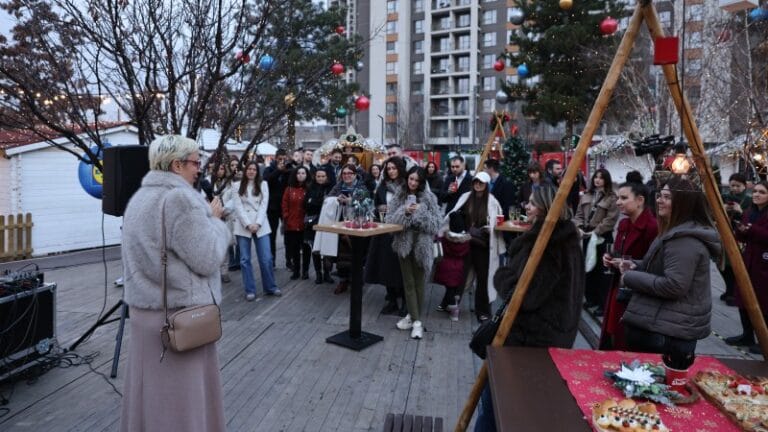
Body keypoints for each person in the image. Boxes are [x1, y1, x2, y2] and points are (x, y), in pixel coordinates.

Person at [120, 135, 228, 432]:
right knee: (182, 404)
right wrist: (215, 221)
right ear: (177, 164)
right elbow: (208, 258)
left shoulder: (138, 200)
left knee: (151, 398)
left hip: (146, 316)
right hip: (181, 321)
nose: (199, 169)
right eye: (195, 162)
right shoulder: (180, 199)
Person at [474, 184, 584, 432]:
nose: (527, 207)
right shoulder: (563, 238)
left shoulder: (549, 243)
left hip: (530, 340)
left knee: (497, 404)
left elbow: (526, 295)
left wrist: (502, 275)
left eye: (532, 203)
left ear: (545, 209)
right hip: (549, 335)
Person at [619, 177, 721, 363]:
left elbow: (674, 285)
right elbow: (664, 267)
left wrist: (630, 277)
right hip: (664, 323)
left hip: (668, 332)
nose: (659, 201)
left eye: (666, 197)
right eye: (659, 195)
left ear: (683, 203)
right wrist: (637, 265)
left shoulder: (684, 241)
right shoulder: (673, 232)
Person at [598, 182, 657, 350]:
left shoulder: (652, 228)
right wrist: (610, 258)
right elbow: (618, 252)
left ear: (640, 200)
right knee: (613, 334)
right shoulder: (625, 224)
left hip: (638, 293)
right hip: (620, 286)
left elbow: (654, 264)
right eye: (618, 198)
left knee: (626, 339)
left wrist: (629, 265)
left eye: (623, 198)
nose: (618, 202)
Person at [387, 166, 442, 339]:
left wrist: (419, 212)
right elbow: (389, 221)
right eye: (411, 178)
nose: (412, 182)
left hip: (422, 244)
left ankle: (412, 317)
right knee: (408, 282)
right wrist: (405, 212)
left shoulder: (429, 197)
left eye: (417, 180)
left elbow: (435, 224)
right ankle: (417, 322)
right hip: (404, 243)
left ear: (421, 182)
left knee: (419, 283)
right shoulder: (399, 195)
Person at [445, 172, 504, 322]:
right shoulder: (466, 197)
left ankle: (482, 310)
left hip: (483, 246)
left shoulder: (492, 201)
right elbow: (455, 215)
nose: (478, 185)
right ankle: (453, 305)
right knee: (460, 275)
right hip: (466, 242)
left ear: (486, 185)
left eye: (481, 183)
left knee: (483, 278)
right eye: (476, 182)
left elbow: (497, 222)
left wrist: (488, 229)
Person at [725, 180, 768, 355]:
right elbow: (743, 236)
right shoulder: (749, 212)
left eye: (762, 192)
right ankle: (747, 334)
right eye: (756, 191)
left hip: (764, 262)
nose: (757, 194)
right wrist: (740, 229)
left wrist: (750, 229)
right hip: (749, 259)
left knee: (764, 302)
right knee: (743, 297)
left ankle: (764, 338)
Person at [573, 168, 619, 316]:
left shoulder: (612, 198)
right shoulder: (587, 194)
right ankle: (591, 298)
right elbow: (578, 213)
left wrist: (596, 231)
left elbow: (611, 219)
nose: (598, 180)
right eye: (596, 177)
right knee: (588, 268)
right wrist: (579, 227)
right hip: (586, 234)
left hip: (602, 237)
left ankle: (603, 303)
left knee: (602, 270)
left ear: (607, 180)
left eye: (601, 178)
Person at [366, 157, 407, 315]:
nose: (391, 171)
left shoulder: (407, 185)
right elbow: (376, 204)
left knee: (401, 268)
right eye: (388, 168)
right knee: (385, 266)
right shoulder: (382, 185)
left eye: (394, 168)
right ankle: (391, 300)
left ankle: (405, 301)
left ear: (400, 168)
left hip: (402, 231)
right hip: (384, 230)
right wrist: (379, 208)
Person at [234, 161, 281, 300]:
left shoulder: (263, 184)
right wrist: (248, 224)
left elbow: (263, 204)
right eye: (249, 169)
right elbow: (238, 207)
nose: (251, 171)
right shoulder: (236, 186)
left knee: (266, 258)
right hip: (243, 225)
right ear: (245, 170)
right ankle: (250, 290)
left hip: (261, 224)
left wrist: (258, 223)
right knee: (244, 259)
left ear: (257, 171)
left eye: (254, 169)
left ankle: (270, 287)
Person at [328, 164, 370, 294]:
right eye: (344, 173)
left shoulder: (361, 187)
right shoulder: (338, 186)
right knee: (341, 255)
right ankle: (343, 280)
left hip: (358, 226)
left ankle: (355, 281)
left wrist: (352, 201)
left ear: (355, 174)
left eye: (349, 173)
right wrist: (336, 199)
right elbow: (327, 199)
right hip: (341, 224)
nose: (346, 176)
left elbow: (368, 205)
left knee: (356, 254)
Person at [720, 173, 752, 305]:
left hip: (739, 236)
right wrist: (723, 208)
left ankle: (734, 292)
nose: (734, 188)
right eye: (732, 185)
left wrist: (740, 211)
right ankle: (729, 289)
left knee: (734, 264)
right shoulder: (725, 197)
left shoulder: (748, 200)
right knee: (722, 264)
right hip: (724, 233)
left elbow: (751, 219)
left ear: (744, 186)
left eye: (738, 186)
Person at [263, 149, 294, 268]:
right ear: (275, 158)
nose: (282, 161)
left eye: (284, 158)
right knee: (272, 235)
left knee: (288, 234)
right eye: (280, 158)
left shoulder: (288, 169)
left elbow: (293, 179)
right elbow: (266, 181)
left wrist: (287, 169)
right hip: (272, 207)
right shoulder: (269, 169)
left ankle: (289, 260)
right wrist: (278, 171)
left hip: (286, 207)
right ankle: (272, 260)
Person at [305, 167, 334, 284]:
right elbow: (306, 205)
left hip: (327, 222)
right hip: (313, 222)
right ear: (315, 177)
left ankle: (327, 273)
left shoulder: (331, 188)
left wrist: (314, 202)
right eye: (318, 176)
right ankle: (318, 274)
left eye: (323, 176)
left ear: (326, 177)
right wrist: (319, 202)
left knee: (327, 248)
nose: (321, 178)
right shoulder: (311, 188)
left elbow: (330, 205)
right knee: (315, 248)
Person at [282, 166, 312, 280]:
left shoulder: (310, 188)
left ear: (306, 175)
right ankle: (296, 271)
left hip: (305, 224)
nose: (300, 175)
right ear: (295, 175)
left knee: (306, 249)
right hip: (292, 223)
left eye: (303, 173)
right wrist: (286, 217)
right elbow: (284, 204)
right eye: (298, 173)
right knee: (294, 249)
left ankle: (305, 271)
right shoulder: (289, 189)